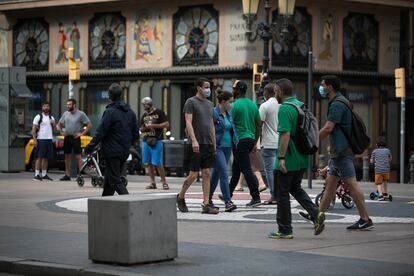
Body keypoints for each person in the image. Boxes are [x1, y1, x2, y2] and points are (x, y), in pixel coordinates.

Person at [315, 75, 373, 234]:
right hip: (338, 152)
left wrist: (312, 140)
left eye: (322, 85)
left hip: (342, 152)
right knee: (330, 186)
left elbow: (328, 128)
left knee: (352, 184)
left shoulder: (337, 105)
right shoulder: (340, 101)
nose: (320, 87)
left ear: (329, 87)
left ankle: (365, 219)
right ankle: (317, 215)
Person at [269, 78, 319, 239]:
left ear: (280, 92)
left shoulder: (284, 108)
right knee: (295, 188)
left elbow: (285, 134)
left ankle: (285, 229)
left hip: (288, 159)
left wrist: (281, 157)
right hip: (302, 158)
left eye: (276, 91)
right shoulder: (300, 105)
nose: (275, 94)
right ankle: (316, 214)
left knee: (281, 194)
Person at [84, 83, 139, 196]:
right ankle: (105, 204)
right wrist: (128, 145)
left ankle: (130, 202)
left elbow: (100, 132)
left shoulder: (110, 112)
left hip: (111, 152)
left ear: (109, 96)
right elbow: (136, 133)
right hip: (124, 151)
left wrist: (89, 148)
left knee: (114, 180)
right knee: (109, 181)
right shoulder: (130, 112)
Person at [176, 78, 218, 214]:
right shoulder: (190, 102)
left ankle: (206, 204)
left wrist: (214, 141)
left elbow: (211, 123)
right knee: (193, 175)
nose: (208, 89)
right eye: (206, 87)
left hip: (208, 143)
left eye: (209, 87)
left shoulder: (210, 104)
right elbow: (188, 122)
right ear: (199, 88)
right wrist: (193, 140)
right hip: (195, 143)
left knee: (207, 173)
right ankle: (181, 196)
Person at [228, 80, 262, 207]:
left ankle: (256, 196)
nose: (233, 90)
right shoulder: (253, 105)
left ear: (237, 90)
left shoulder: (234, 105)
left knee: (246, 169)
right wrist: (254, 142)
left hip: (239, 141)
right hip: (249, 140)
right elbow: (259, 125)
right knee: (236, 169)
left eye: (234, 88)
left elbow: (229, 125)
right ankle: (228, 194)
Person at [209, 88, 238, 212]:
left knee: (216, 174)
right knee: (224, 173)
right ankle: (228, 201)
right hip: (218, 147)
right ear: (223, 101)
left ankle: (207, 198)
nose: (231, 104)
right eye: (230, 102)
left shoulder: (229, 114)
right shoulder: (214, 113)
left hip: (228, 147)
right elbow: (210, 130)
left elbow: (232, 130)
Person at [57, 99, 92, 181]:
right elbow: (59, 124)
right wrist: (61, 132)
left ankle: (80, 175)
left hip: (76, 137)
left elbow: (89, 125)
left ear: (74, 105)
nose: (67, 106)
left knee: (78, 157)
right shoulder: (65, 114)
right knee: (67, 156)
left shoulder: (81, 114)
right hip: (67, 137)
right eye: (67, 104)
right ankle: (67, 175)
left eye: (69, 105)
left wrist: (82, 133)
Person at [140, 96, 170, 190]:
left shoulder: (159, 112)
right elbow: (140, 128)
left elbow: (166, 124)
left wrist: (153, 125)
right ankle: (152, 182)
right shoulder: (144, 115)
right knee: (148, 162)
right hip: (146, 140)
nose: (145, 107)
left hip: (156, 140)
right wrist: (145, 127)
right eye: (144, 106)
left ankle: (164, 182)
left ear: (150, 104)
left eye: (146, 105)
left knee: (157, 162)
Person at [259, 83, 280, 204]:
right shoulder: (281, 105)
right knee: (278, 171)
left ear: (267, 92)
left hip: (268, 143)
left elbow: (259, 124)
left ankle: (274, 195)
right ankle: (280, 194)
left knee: (270, 171)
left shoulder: (264, 106)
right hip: (280, 142)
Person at [31, 101, 55, 181]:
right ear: (42, 108)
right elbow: (33, 129)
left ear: (49, 108)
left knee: (46, 158)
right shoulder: (38, 117)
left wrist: (53, 124)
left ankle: (44, 174)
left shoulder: (51, 118)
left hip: (49, 139)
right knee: (39, 157)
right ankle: (37, 174)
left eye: (47, 106)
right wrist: (35, 140)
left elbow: (54, 130)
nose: (46, 108)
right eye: (44, 106)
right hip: (41, 139)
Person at [370, 136, 392, 201]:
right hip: (386, 170)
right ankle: (385, 193)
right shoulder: (387, 150)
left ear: (377, 144)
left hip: (378, 170)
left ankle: (380, 195)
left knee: (378, 183)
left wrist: (374, 161)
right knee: (385, 181)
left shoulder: (374, 151)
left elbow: (371, 161)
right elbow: (390, 158)